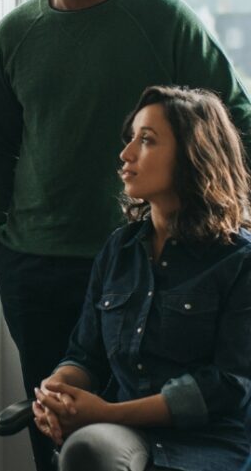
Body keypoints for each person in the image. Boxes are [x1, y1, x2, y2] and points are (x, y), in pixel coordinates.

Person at [0, 0, 251, 470]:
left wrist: (227, 221)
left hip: (150, 254)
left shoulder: (162, 20)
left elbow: (234, 123)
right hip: (35, 261)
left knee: (149, 418)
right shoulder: (14, 34)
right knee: (55, 423)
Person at [32, 85, 251, 471]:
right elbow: (86, 356)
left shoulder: (239, 261)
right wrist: (57, 390)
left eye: (146, 140)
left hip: (212, 443)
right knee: (87, 450)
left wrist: (109, 413)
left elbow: (229, 386)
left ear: (192, 154)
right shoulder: (119, 250)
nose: (126, 154)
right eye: (130, 138)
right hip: (124, 434)